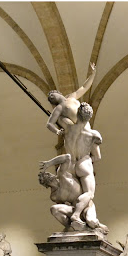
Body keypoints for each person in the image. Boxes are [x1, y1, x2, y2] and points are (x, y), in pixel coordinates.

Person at [39, 103, 105, 232]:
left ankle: (76, 220)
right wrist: (88, 160)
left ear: (77, 114)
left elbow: (54, 120)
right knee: (89, 193)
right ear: (89, 117)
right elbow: (97, 157)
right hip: (84, 162)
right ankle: (76, 214)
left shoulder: (68, 128)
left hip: (71, 164)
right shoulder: (93, 134)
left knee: (79, 199)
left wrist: (61, 107)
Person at [46, 62, 96, 137]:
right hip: (75, 126)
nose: (51, 97)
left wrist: (93, 74)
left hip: (85, 123)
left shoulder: (72, 96)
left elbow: (84, 87)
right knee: (60, 119)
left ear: (58, 93)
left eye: (52, 94)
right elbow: (49, 123)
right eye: (50, 98)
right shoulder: (59, 107)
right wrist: (58, 131)